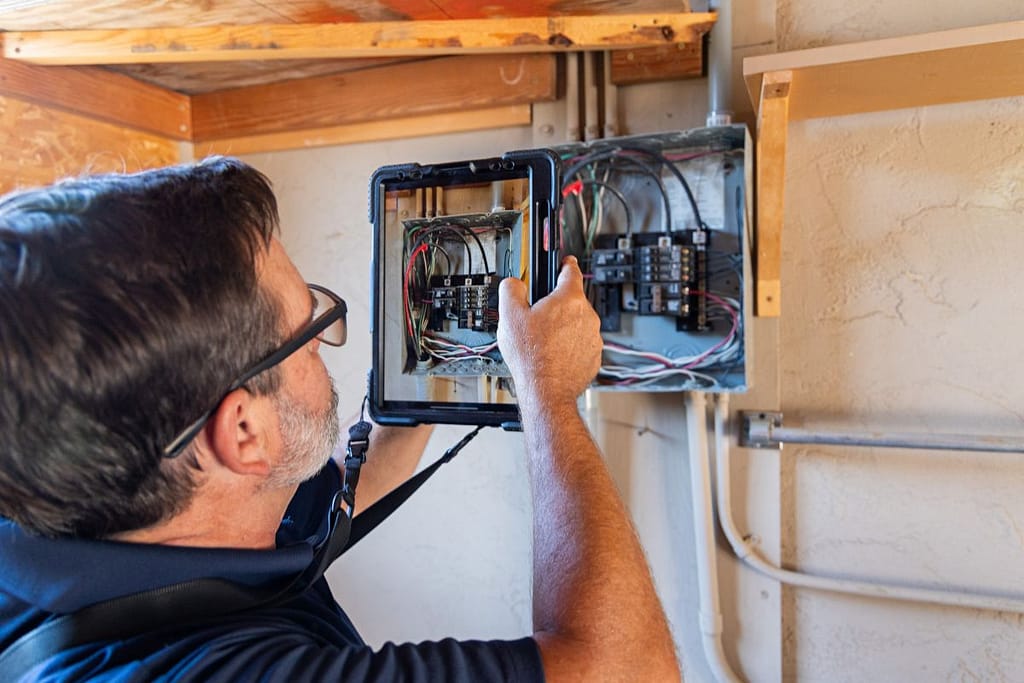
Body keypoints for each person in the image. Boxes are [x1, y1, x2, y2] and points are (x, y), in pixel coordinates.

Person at [0, 157, 678, 681]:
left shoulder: (70, 499)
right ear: (241, 433)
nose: (324, 338)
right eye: (311, 325)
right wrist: (549, 395)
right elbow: (627, 670)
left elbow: (316, 518)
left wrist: (425, 373)